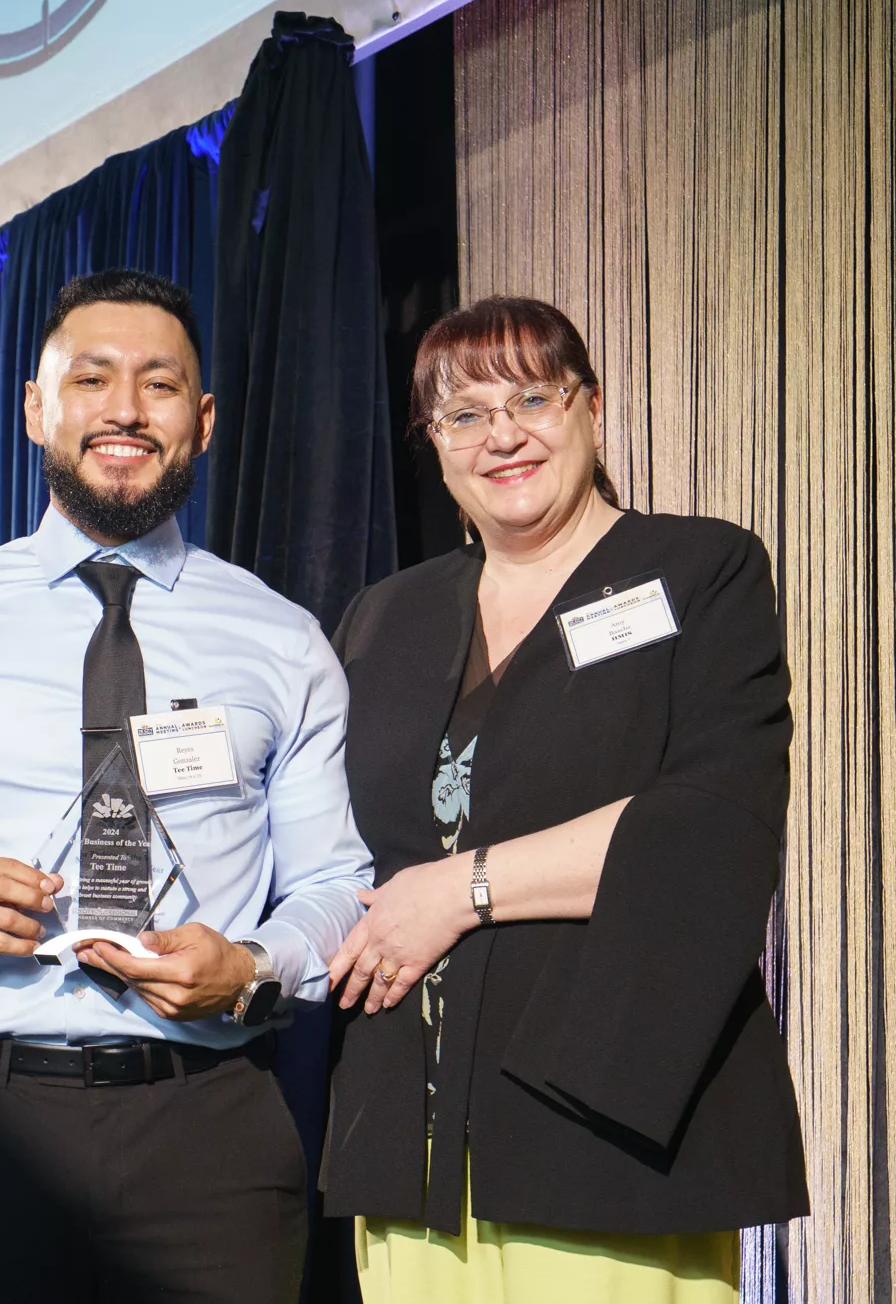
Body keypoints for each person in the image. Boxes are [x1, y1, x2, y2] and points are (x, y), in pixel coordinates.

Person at [0, 268, 374, 1304]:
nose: (121, 409)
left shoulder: (282, 638)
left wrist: (251, 962)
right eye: (89, 378)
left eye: (157, 385)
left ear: (198, 421)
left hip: (212, 1128)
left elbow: (336, 875)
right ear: (34, 408)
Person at [321, 297, 809, 1301]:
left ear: (590, 407)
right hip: (406, 1145)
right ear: (434, 446)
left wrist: (462, 886)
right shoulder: (385, 615)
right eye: (462, 414)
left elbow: (711, 818)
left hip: (603, 1120)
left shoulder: (695, 569)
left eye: (531, 397)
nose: (502, 433)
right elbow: (333, 844)